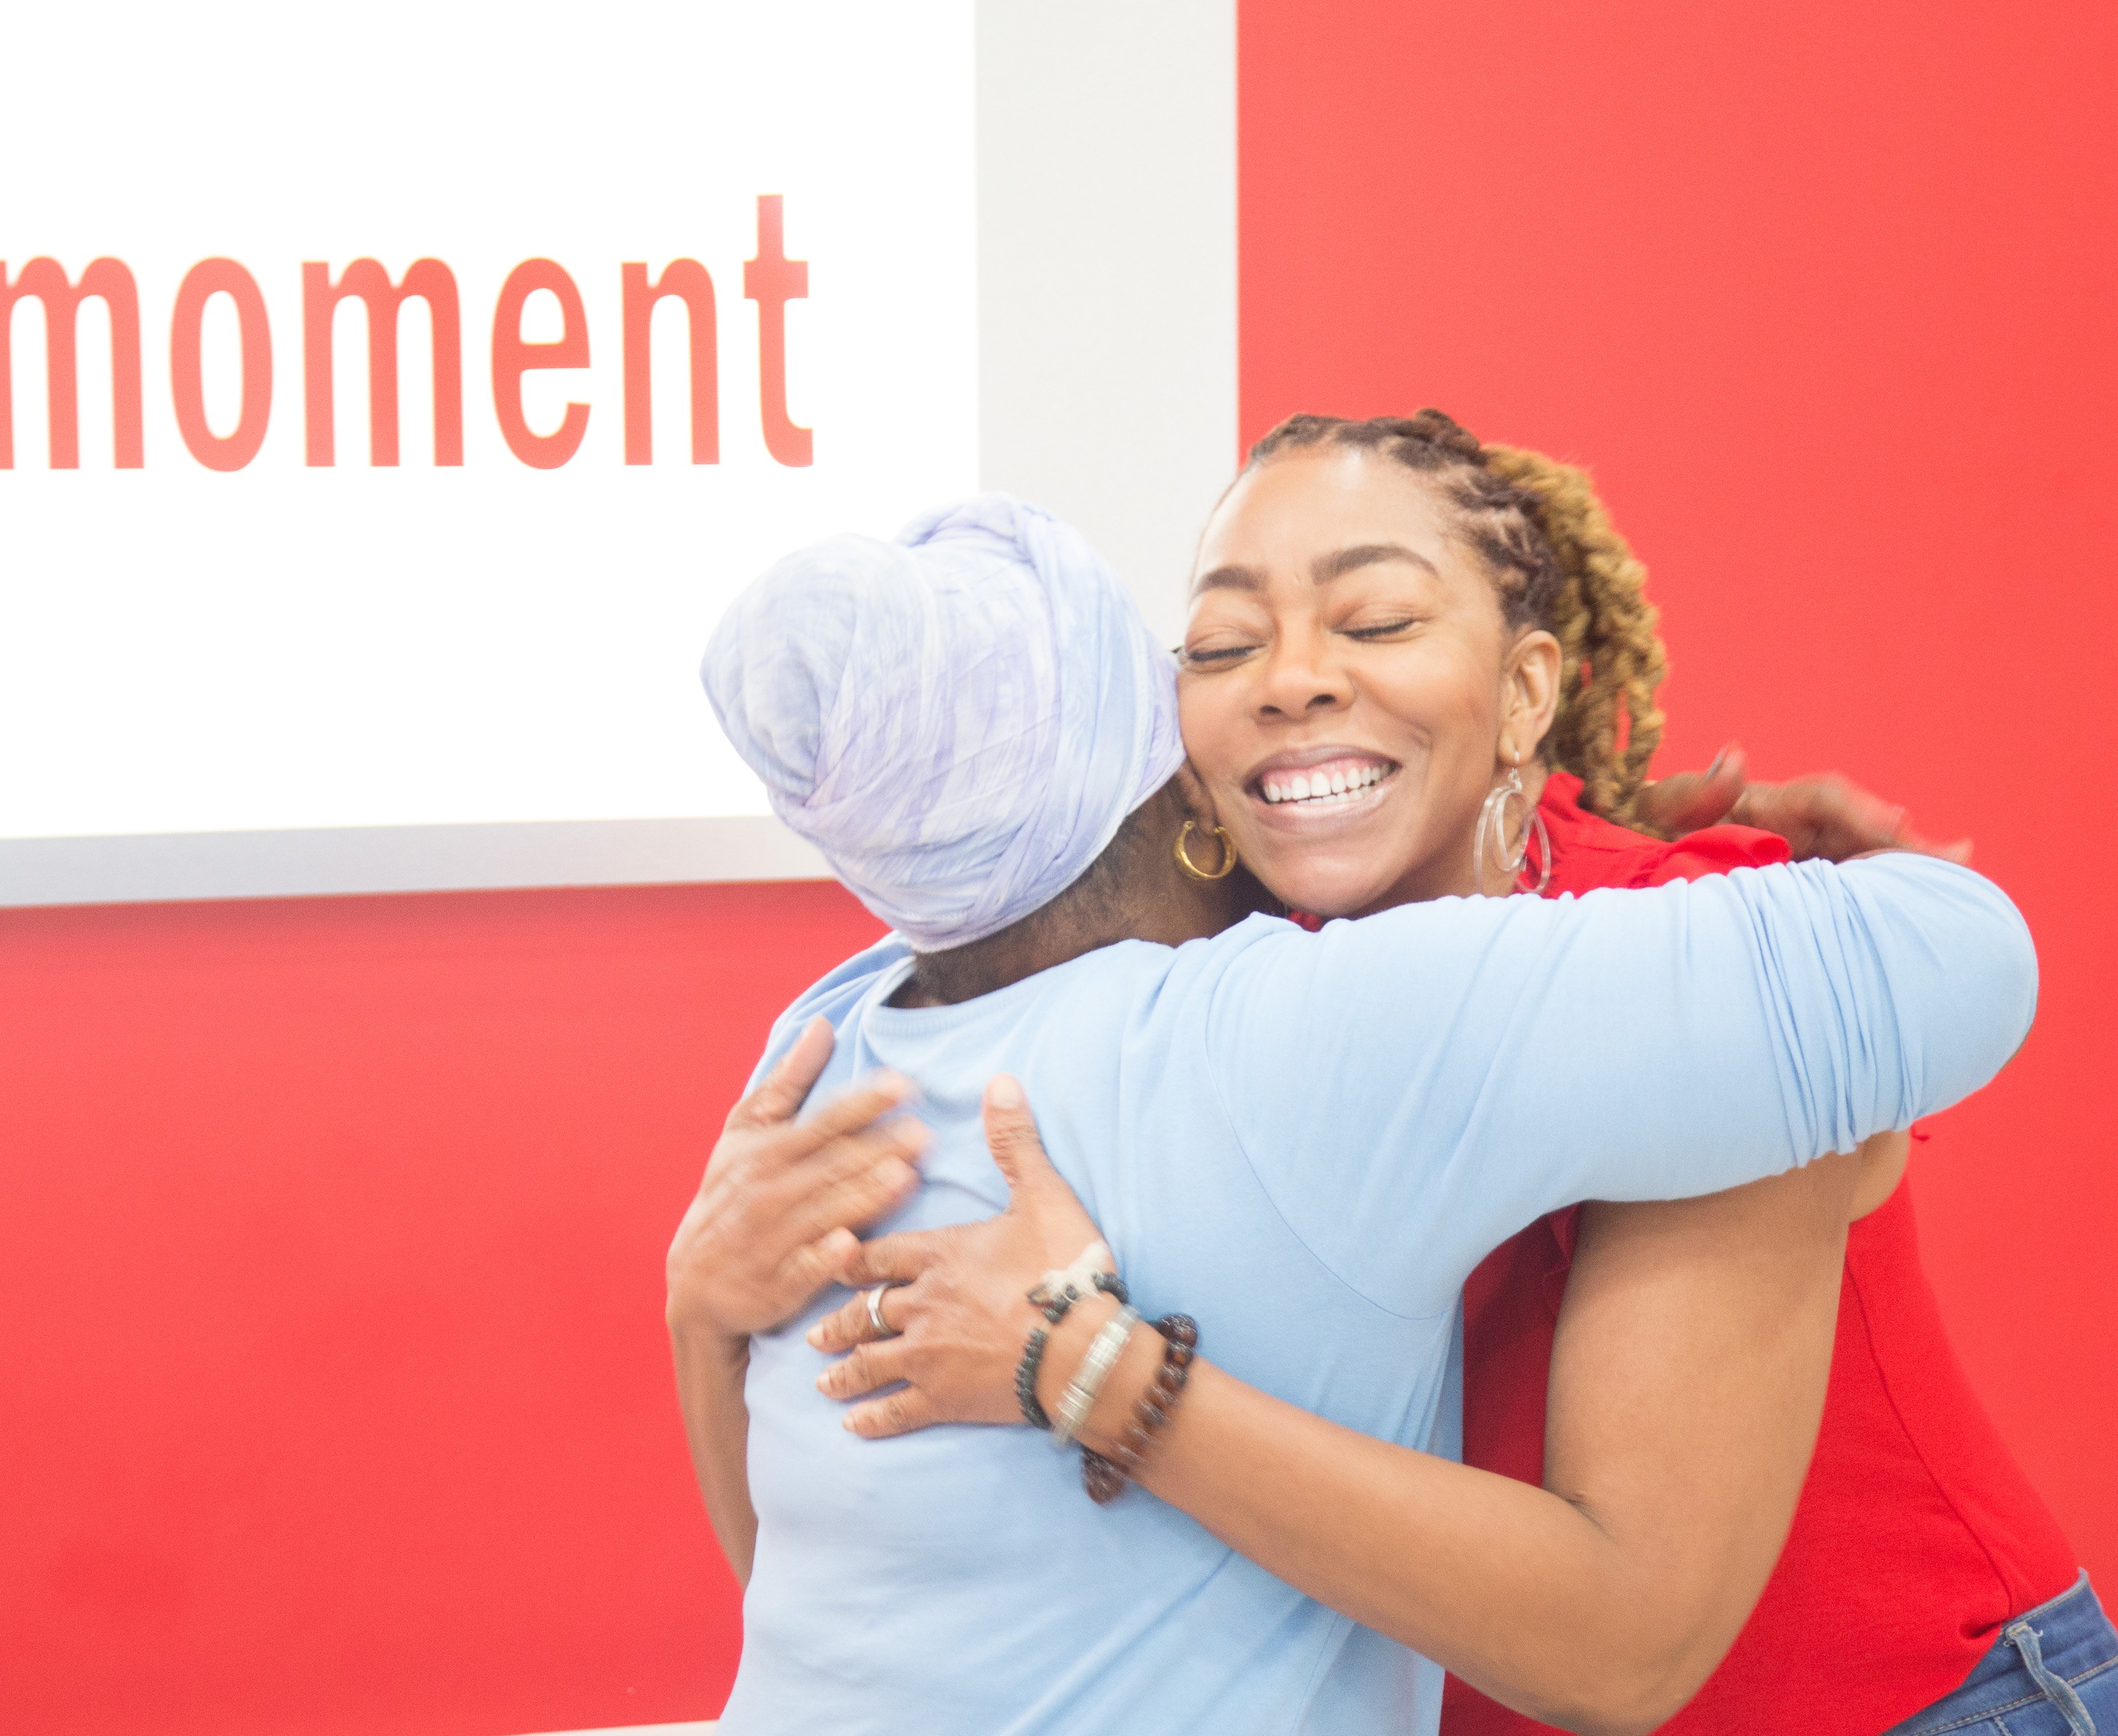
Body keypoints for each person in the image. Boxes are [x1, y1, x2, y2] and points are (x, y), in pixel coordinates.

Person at [798, 414, 2112, 1735]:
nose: (1289, 680)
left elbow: (1621, 1652)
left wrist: (1092, 1377)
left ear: (1526, 692)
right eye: (1219, 644)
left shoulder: (1697, 960)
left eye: (1373, 623)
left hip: (1915, 1708)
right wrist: (711, 1289)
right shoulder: (1225, 972)